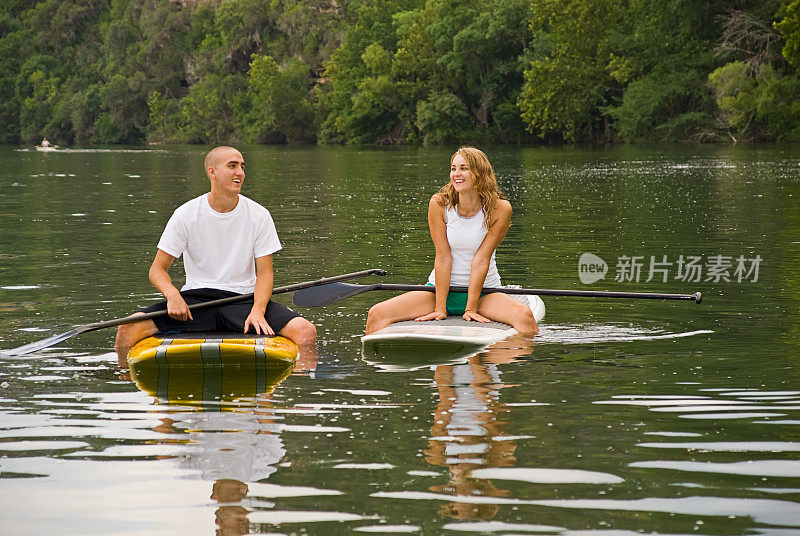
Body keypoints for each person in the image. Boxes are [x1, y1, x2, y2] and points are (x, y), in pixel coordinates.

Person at [114, 146, 316, 365]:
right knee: (127, 327)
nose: (240, 172)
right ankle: (126, 374)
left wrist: (258, 310)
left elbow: (265, 273)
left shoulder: (259, 215)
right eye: (232, 166)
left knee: (305, 331)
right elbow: (157, 270)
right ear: (212, 172)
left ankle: (275, 391)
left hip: (243, 301)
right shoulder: (185, 215)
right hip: (195, 304)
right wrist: (173, 295)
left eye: (242, 166)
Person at [365, 147, 538, 335]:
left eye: (463, 168)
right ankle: (381, 362)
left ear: (479, 173)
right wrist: (440, 308)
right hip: (438, 292)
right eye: (453, 168)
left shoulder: (500, 209)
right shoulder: (439, 204)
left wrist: (471, 308)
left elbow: (481, 259)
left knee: (524, 317)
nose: (457, 174)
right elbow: (443, 257)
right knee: (376, 314)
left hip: (484, 293)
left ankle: (503, 357)